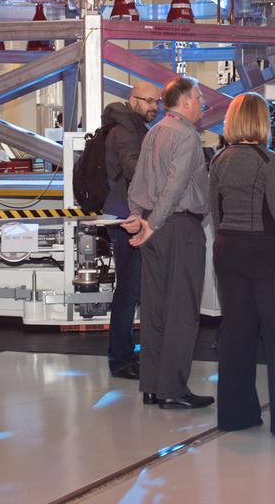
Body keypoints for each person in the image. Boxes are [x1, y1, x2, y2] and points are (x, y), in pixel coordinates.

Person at [210, 94, 275, 439]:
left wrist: (228, 240)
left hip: (228, 249)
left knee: (236, 333)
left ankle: (235, 415)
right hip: (267, 253)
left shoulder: (219, 159)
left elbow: (215, 211)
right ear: (261, 122)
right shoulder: (269, 160)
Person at [123, 76, 213, 410]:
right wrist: (154, 222)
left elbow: (138, 182)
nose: (202, 103)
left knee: (155, 308)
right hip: (178, 227)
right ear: (186, 100)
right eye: (199, 97)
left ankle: (152, 384)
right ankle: (172, 388)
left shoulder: (154, 131)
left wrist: (139, 218)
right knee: (182, 310)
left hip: (154, 226)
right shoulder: (186, 135)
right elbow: (175, 187)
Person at [102, 80, 161, 380]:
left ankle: (122, 354)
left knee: (129, 289)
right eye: (148, 100)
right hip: (128, 217)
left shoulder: (133, 127)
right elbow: (132, 167)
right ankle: (121, 359)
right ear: (132, 99)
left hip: (124, 213)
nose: (153, 106)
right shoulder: (127, 129)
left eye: (156, 101)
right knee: (130, 289)